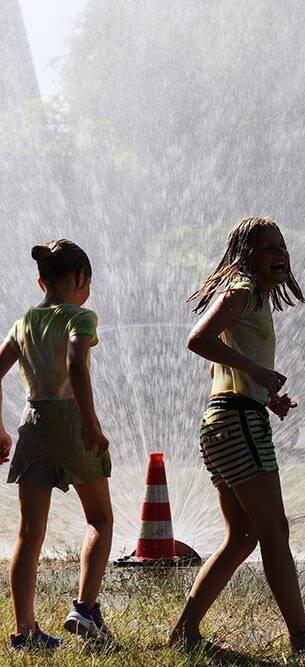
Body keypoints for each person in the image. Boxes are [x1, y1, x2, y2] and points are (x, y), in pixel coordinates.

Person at [169, 217, 305, 653]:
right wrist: (257, 373)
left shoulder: (254, 298)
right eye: (268, 247)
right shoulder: (243, 291)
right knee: (273, 528)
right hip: (236, 423)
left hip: (229, 419)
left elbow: (225, 368)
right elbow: (198, 339)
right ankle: (303, 635)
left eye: (282, 246)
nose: (279, 253)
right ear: (246, 254)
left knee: (243, 535)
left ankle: (184, 633)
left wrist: (267, 396)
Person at [0, 240, 114, 649]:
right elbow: (76, 365)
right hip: (69, 420)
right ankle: (84, 609)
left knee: (29, 534)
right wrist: (91, 425)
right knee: (100, 519)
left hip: (33, 422)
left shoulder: (24, 321)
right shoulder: (81, 317)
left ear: (41, 280)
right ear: (81, 278)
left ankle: (24, 630)